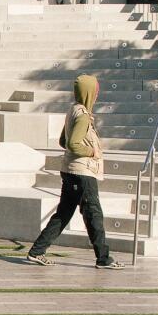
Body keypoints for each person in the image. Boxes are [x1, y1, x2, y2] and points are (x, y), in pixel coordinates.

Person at [27, 74, 124, 269]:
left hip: (70, 171)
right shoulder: (83, 116)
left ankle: (37, 250)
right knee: (94, 214)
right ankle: (103, 258)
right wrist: (92, 151)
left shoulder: (73, 111)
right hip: (82, 173)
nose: (97, 95)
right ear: (90, 93)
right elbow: (72, 144)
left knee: (64, 213)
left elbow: (63, 141)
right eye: (95, 91)